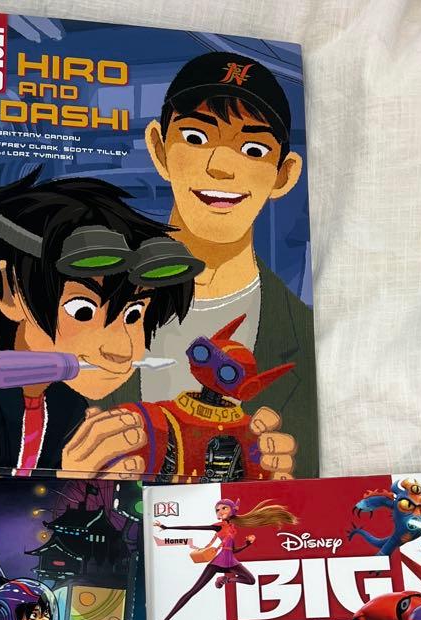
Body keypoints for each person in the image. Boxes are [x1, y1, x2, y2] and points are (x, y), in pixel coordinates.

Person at [0, 169, 198, 478]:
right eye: (82, 311)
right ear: (8, 289)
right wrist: (65, 483)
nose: (121, 349)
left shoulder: (65, 405)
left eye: (133, 314)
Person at [106, 51, 317, 476]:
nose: (220, 167)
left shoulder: (304, 336)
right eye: (196, 137)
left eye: (254, 149)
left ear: (284, 174)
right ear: (159, 149)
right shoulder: (84, 305)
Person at [147, 497, 295, 620]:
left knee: (251, 580)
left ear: (232, 510)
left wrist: (247, 545)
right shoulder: (218, 526)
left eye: (224, 508)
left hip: (231, 562)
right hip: (218, 562)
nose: (220, 511)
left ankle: (226, 579)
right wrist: (167, 527)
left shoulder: (233, 528)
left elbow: (233, 550)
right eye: (217, 509)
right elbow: (193, 527)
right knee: (193, 591)